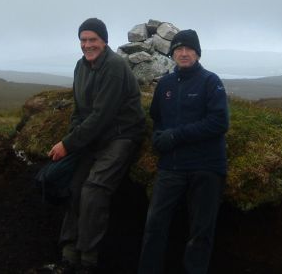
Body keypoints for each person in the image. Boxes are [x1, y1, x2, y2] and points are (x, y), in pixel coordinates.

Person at [47, 18, 145, 274]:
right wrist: (73, 140)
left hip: (121, 135)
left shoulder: (114, 66)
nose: (87, 45)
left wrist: (68, 144)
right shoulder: (81, 67)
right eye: (83, 40)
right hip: (95, 138)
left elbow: (102, 116)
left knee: (94, 189)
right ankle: (69, 255)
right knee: (75, 187)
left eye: (93, 40)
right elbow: (79, 110)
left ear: (104, 41)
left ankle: (88, 261)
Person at [138, 29, 229, 274]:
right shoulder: (165, 84)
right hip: (172, 166)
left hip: (206, 167)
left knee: (201, 232)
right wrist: (158, 136)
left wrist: (177, 135)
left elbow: (220, 122)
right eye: (178, 49)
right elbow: (157, 118)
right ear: (172, 53)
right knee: (154, 225)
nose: (184, 53)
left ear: (198, 53)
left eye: (189, 49)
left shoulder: (211, 81)